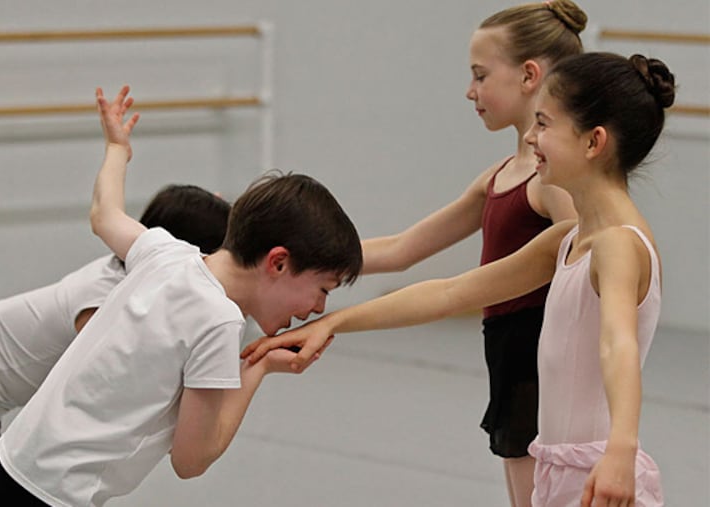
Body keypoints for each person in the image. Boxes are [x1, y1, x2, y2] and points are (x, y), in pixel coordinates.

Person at [244, 51, 674, 506]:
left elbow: (618, 344)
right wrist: (332, 323)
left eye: (544, 124)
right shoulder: (569, 240)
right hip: (560, 468)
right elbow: (451, 292)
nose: (530, 137)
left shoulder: (618, 245)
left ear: (594, 142)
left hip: (599, 475)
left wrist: (621, 451)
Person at [0, 85, 363, 507]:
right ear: (277, 262)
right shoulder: (219, 321)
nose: (320, 308)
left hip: (8, 464)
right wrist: (260, 368)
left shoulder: (166, 252)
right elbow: (191, 460)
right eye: (322, 289)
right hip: (52, 494)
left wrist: (116, 150)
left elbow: (104, 215)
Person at [351, 2, 586, 505]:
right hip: (508, 357)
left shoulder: (551, 183)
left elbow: (585, 266)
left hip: (541, 367)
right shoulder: (501, 175)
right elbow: (399, 249)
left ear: (529, 75)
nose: (470, 90)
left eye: (480, 75)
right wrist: (300, 255)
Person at [0, 183, 230, 507]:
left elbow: (103, 208)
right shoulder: (110, 297)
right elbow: (111, 393)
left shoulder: (131, 274)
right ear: (189, 251)